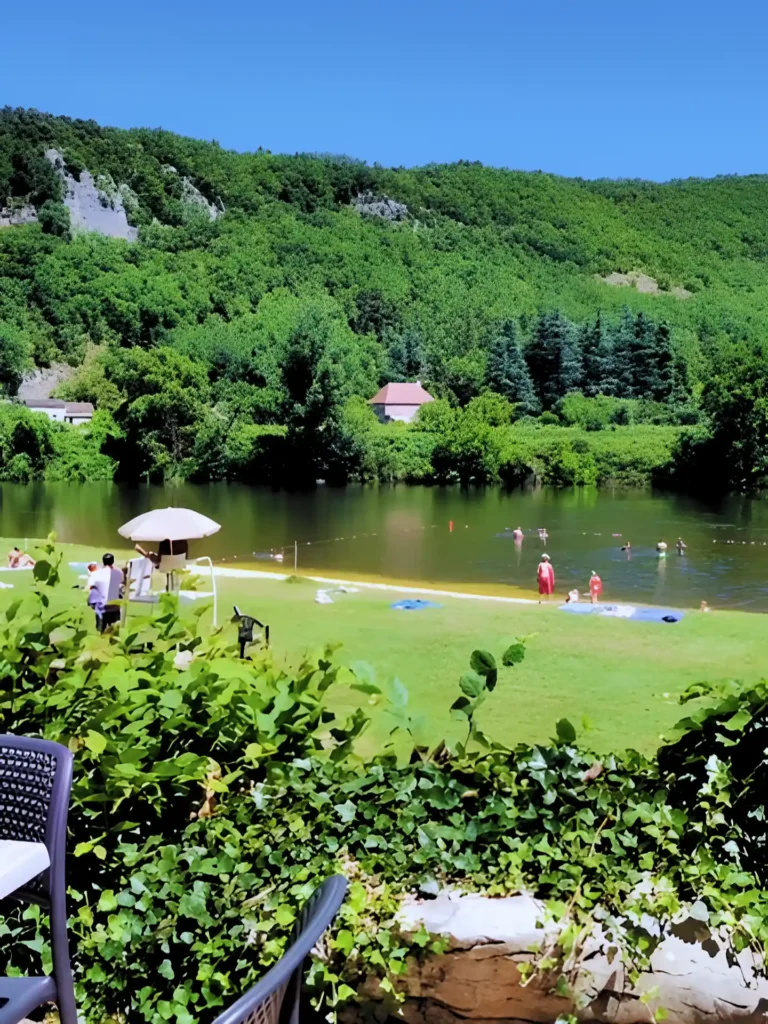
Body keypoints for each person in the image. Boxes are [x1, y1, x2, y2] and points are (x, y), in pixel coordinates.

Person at [88, 553, 124, 633]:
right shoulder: (119, 572)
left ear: (103, 562)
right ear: (113, 561)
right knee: (114, 633)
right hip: (115, 607)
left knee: (102, 632)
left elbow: (91, 588)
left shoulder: (96, 574)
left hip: (102, 608)